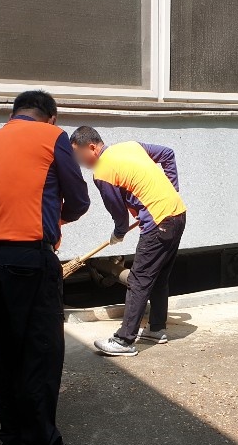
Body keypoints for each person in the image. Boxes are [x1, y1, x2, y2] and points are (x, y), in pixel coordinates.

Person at [0, 90, 90, 445]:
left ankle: (12, 438)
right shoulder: (52, 137)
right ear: (51, 117)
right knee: (39, 353)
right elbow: (79, 200)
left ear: (13, 114)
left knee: (3, 351)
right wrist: (53, 220)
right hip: (30, 261)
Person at [69, 126, 187, 357]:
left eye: (78, 155)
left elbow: (118, 212)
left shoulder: (102, 172)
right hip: (177, 214)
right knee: (158, 277)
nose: (79, 162)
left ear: (91, 147)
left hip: (159, 222)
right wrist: (171, 191)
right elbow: (168, 153)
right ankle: (156, 329)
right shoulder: (130, 147)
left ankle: (124, 340)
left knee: (139, 280)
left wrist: (119, 233)